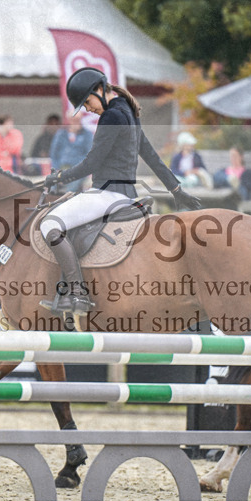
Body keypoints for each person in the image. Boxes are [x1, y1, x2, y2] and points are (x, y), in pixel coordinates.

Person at [40, 67, 202, 315]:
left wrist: (60, 176)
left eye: (87, 102)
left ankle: (77, 293)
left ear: (99, 89)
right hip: (126, 195)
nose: (87, 109)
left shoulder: (111, 117)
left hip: (106, 194)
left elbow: (92, 163)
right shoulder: (128, 112)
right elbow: (151, 155)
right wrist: (176, 189)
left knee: (48, 225)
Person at [49, 111, 93, 192]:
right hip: (61, 168)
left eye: (77, 119)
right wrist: (55, 169)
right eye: (73, 119)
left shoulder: (87, 134)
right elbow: (54, 154)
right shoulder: (61, 134)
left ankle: (65, 202)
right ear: (69, 120)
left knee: (71, 187)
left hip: (78, 170)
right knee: (51, 186)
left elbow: (89, 154)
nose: (75, 122)